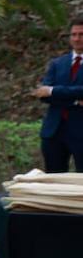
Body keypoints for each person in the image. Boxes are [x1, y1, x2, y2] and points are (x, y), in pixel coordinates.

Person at [31, 17, 83, 172]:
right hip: (54, 131)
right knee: (53, 180)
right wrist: (75, 101)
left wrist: (54, 91)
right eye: (73, 34)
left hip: (81, 131)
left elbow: (50, 92)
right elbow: (44, 96)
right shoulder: (57, 63)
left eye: (81, 34)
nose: (76, 38)